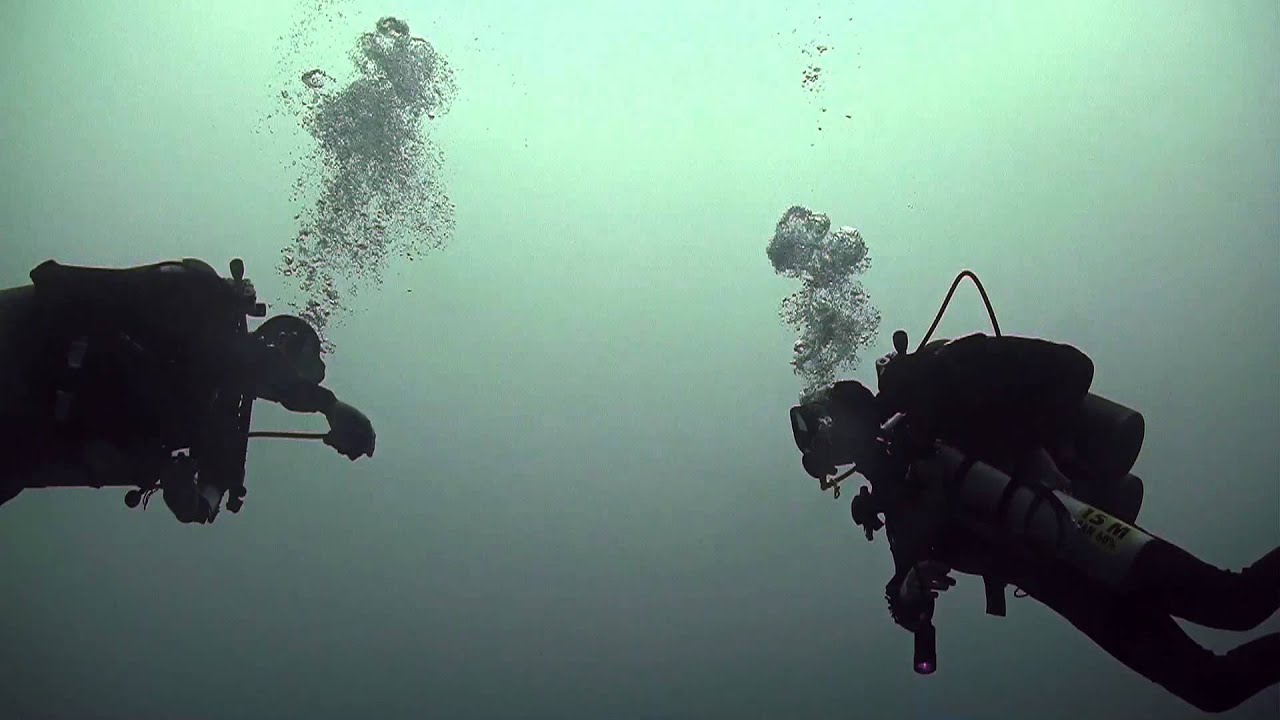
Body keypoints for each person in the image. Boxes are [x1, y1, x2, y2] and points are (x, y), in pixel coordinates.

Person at [789, 330, 1279, 714]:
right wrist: (908, 592)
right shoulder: (896, 496)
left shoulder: (936, 390)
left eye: (819, 441)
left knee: (1234, 604)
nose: (827, 463)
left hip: (1081, 524)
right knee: (1213, 686)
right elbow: (908, 584)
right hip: (1060, 583)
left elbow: (1069, 367)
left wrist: (1029, 449)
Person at [0, 257, 376, 524]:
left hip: (27, 432)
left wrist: (187, 499)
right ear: (276, 339)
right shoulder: (206, 309)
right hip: (24, 350)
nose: (280, 383)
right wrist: (330, 406)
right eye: (290, 360)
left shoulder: (222, 421)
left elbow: (206, 503)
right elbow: (260, 367)